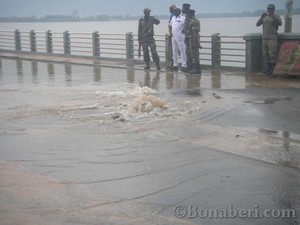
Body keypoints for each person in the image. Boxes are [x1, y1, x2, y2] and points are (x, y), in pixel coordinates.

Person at [256, 4, 282, 76]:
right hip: (265, 38)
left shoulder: (276, 16)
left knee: (272, 54)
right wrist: (261, 17)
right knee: (266, 54)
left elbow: (280, 23)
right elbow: (257, 24)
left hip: (272, 38)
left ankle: (272, 70)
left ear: (273, 9)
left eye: (270, 9)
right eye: (268, 8)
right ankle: (268, 68)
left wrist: (273, 16)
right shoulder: (265, 17)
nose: (269, 10)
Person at [169, 7, 187, 71]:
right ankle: (175, 64)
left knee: (182, 51)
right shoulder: (173, 18)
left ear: (179, 12)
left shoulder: (183, 18)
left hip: (180, 36)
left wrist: (184, 30)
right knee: (174, 51)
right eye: (174, 11)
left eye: (176, 11)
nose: (175, 12)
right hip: (174, 36)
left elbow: (186, 25)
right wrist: (170, 33)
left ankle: (184, 65)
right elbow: (171, 25)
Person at [186, 9, 201, 74]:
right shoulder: (190, 20)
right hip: (190, 38)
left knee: (194, 53)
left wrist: (194, 42)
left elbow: (194, 32)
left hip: (193, 39)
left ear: (190, 14)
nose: (187, 15)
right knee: (189, 53)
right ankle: (191, 67)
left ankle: (196, 69)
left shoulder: (194, 21)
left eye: (188, 14)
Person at [181, 3, 192, 72]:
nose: (182, 10)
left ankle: (193, 67)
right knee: (188, 52)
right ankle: (189, 67)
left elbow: (192, 28)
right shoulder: (187, 16)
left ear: (186, 9)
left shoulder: (190, 17)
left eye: (183, 8)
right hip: (187, 37)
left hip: (191, 37)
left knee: (192, 53)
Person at [167, 4, 176, 69]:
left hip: (177, 36)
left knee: (177, 51)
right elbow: (169, 25)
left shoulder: (175, 15)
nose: (169, 9)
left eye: (170, 8)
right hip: (173, 35)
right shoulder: (171, 15)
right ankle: (172, 63)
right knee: (172, 50)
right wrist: (170, 33)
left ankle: (174, 64)